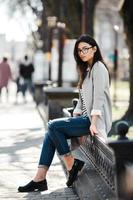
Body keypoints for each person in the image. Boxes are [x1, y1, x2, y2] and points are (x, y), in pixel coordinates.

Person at [18, 34, 112, 192]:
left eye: (85, 49)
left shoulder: (99, 68)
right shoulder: (87, 70)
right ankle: (40, 178)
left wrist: (94, 123)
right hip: (85, 118)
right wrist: (74, 118)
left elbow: (99, 98)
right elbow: (82, 100)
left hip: (94, 120)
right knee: (50, 133)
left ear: (94, 49)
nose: (82, 52)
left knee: (53, 126)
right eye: (79, 50)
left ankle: (71, 164)